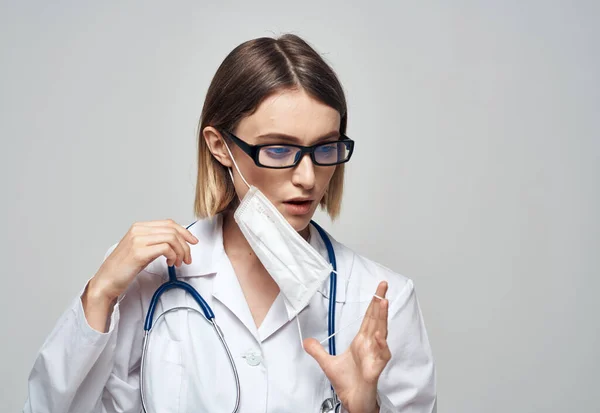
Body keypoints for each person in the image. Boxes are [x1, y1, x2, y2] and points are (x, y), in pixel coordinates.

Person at [24, 34, 436, 413]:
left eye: (325, 148)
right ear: (220, 146)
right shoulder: (143, 281)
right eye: (278, 149)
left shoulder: (381, 300)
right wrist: (99, 295)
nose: (308, 177)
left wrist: (365, 406)